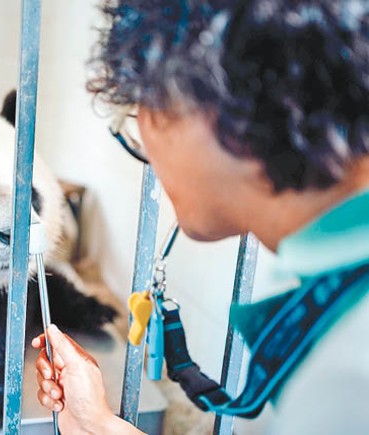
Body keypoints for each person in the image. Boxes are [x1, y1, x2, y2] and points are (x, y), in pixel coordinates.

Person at [32, 0, 369, 434]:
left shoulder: (347, 375)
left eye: (140, 113)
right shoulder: (336, 287)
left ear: (214, 99)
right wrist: (96, 423)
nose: (147, 152)